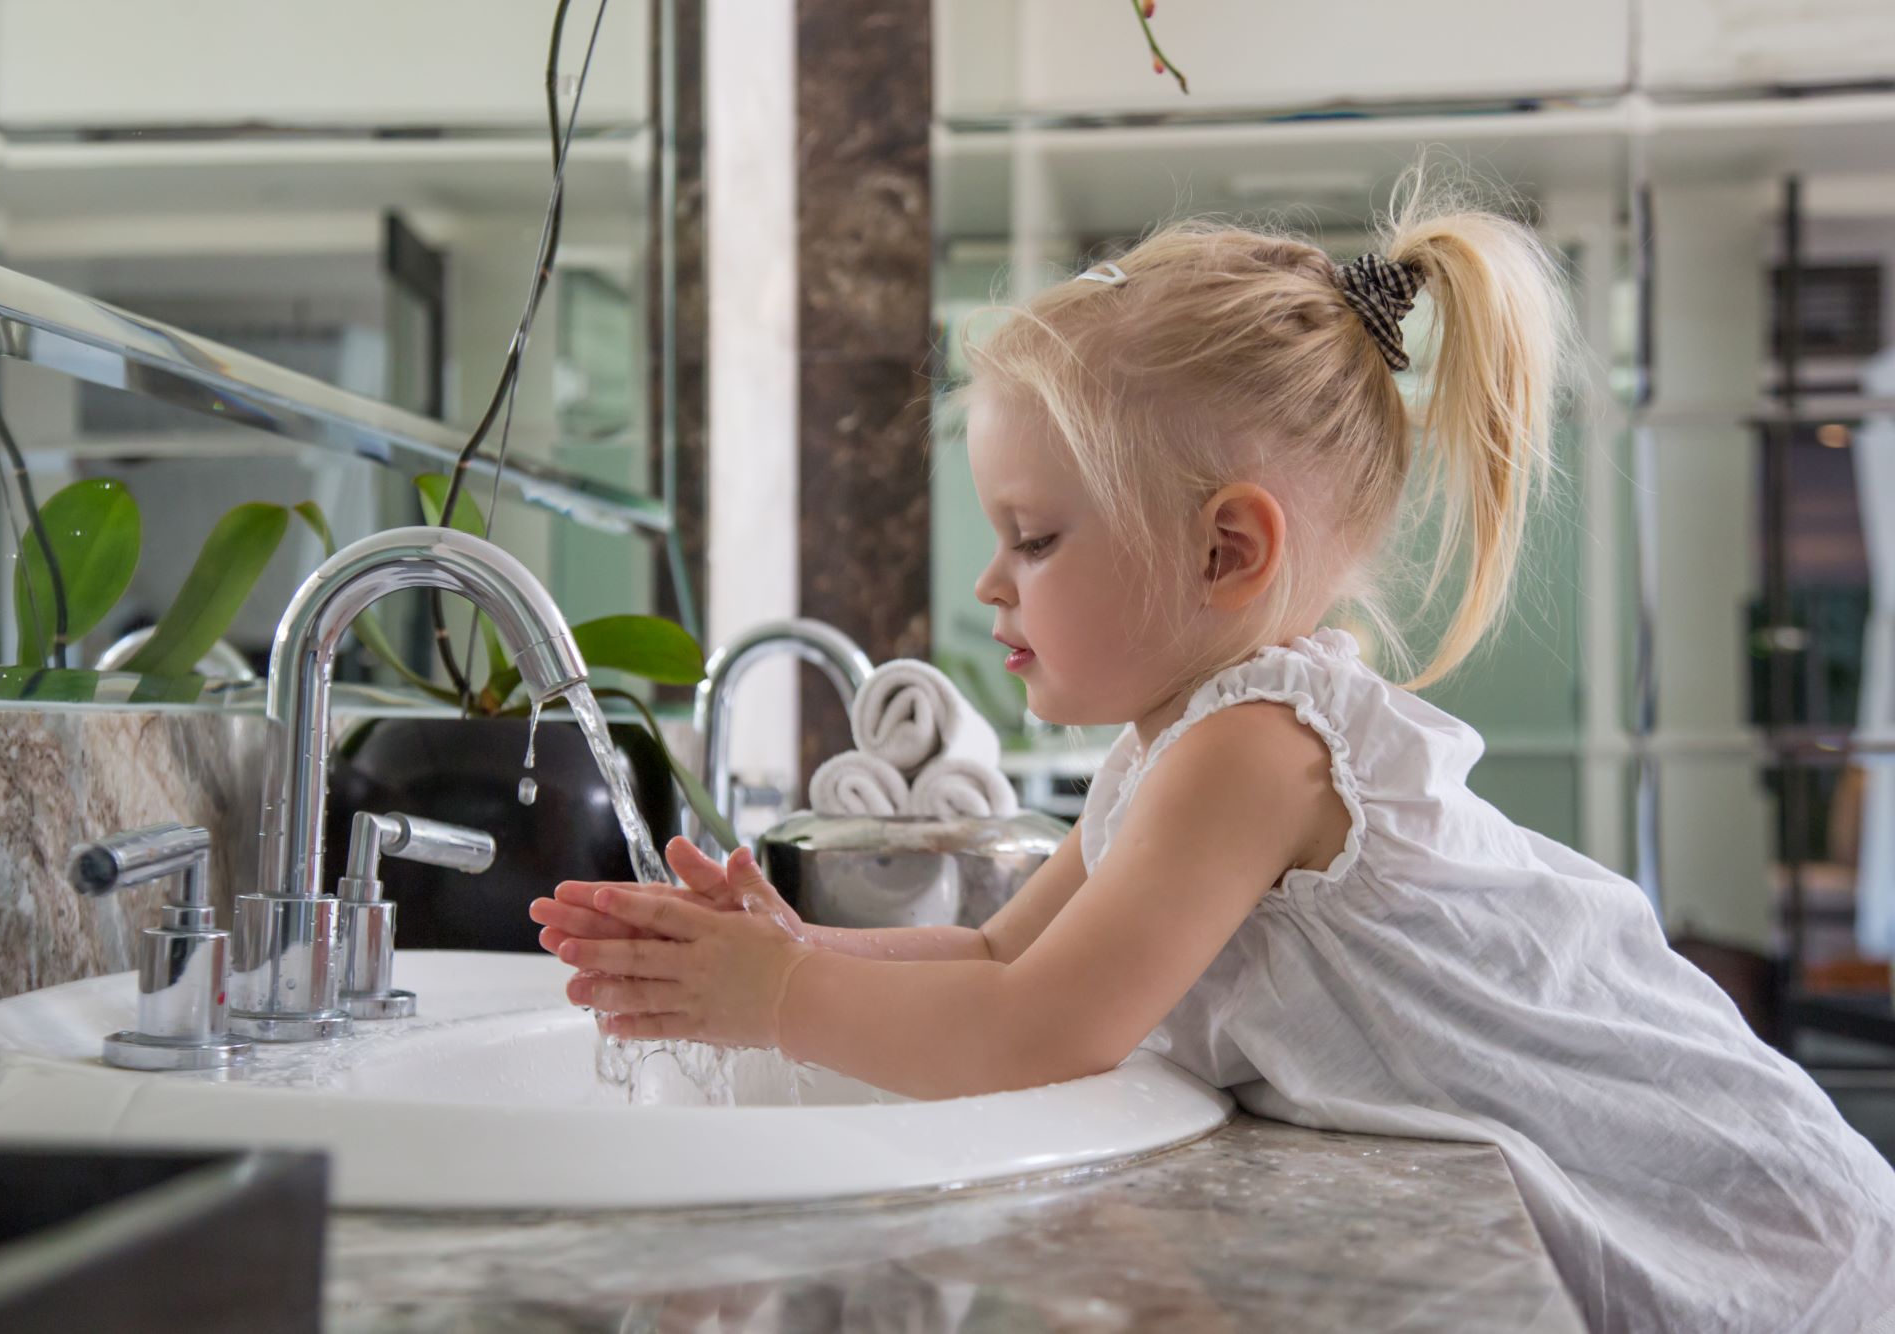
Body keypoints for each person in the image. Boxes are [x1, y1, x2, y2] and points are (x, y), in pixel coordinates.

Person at [530, 168, 1895, 1333]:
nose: (994, 586)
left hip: (1746, 1210)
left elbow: (1043, 1027)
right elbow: (1006, 955)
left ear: (1225, 550)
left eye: (1038, 536)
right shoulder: (1172, 749)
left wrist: (777, 998)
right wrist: (798, 950)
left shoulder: (1259, 747)